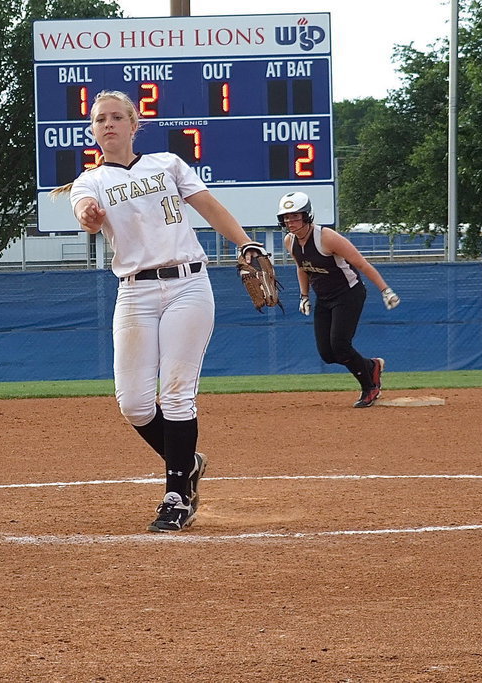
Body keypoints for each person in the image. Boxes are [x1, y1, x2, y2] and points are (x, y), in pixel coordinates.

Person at [51, 90, 267, 533]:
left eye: (116, 117)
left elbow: (208, 206)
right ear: (93, 131)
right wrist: (89, 216)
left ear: (134, 124)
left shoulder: (167, 164)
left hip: (188, 284)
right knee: (133, 404)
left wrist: (245, 242)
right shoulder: (91, 181)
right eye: (100, 120)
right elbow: (84, 214)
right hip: (135, 292)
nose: (107, 124)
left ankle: (176, 495)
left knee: (175, 392)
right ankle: (186, 461)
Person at [278, 191, 400, 407]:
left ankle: (369, 388)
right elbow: (302, 267)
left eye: (295, 216)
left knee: (340, 345)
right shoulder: (290, 241)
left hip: (349, 294)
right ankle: (371, 366)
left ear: (307, 216)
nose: (290, 221)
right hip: (324, 298)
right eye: (286, 217)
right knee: (327, 353)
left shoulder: (326, 237)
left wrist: (385, 290)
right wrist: (304, 296)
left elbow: (361, 263)